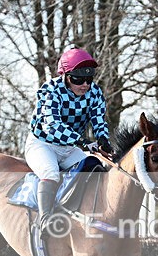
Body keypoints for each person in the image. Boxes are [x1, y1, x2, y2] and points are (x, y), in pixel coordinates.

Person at [26, 47, 114, 236]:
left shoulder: (95, 93)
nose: (85, 85)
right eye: (78, 79)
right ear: (65, 75)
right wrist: (82, 141)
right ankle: (45, 220)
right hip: (42, 144)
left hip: (69, 147)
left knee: (93, 169)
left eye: (89, 80)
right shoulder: (50, 90)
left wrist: (103, 140)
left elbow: (99, 119)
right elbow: (52, 126)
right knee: (51, 173)